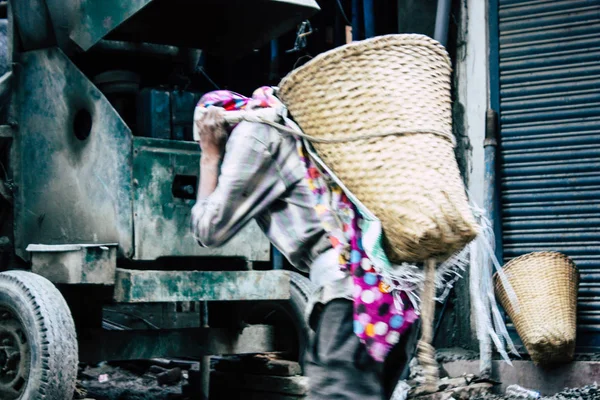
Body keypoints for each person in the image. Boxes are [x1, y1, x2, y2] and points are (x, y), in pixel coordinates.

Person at [191, 90, 419, 399]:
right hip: (396, 293)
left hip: (353, 291)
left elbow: (209, 230)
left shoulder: (254, 133)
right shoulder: (292, 125)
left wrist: (209, 155)